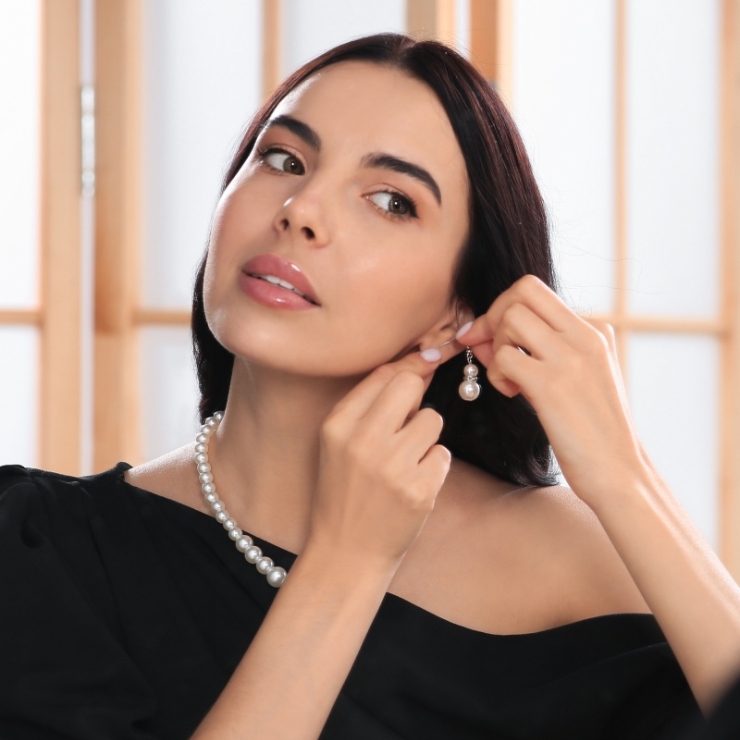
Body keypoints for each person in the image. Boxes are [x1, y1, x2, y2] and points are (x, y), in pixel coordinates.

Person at [1, 33, 739, 740]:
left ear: (459, 308)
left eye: (391, 200)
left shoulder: (577, 562)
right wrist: (346, 564)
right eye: (284, 160)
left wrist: (625, 479)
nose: (302, 211)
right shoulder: (45, 547)